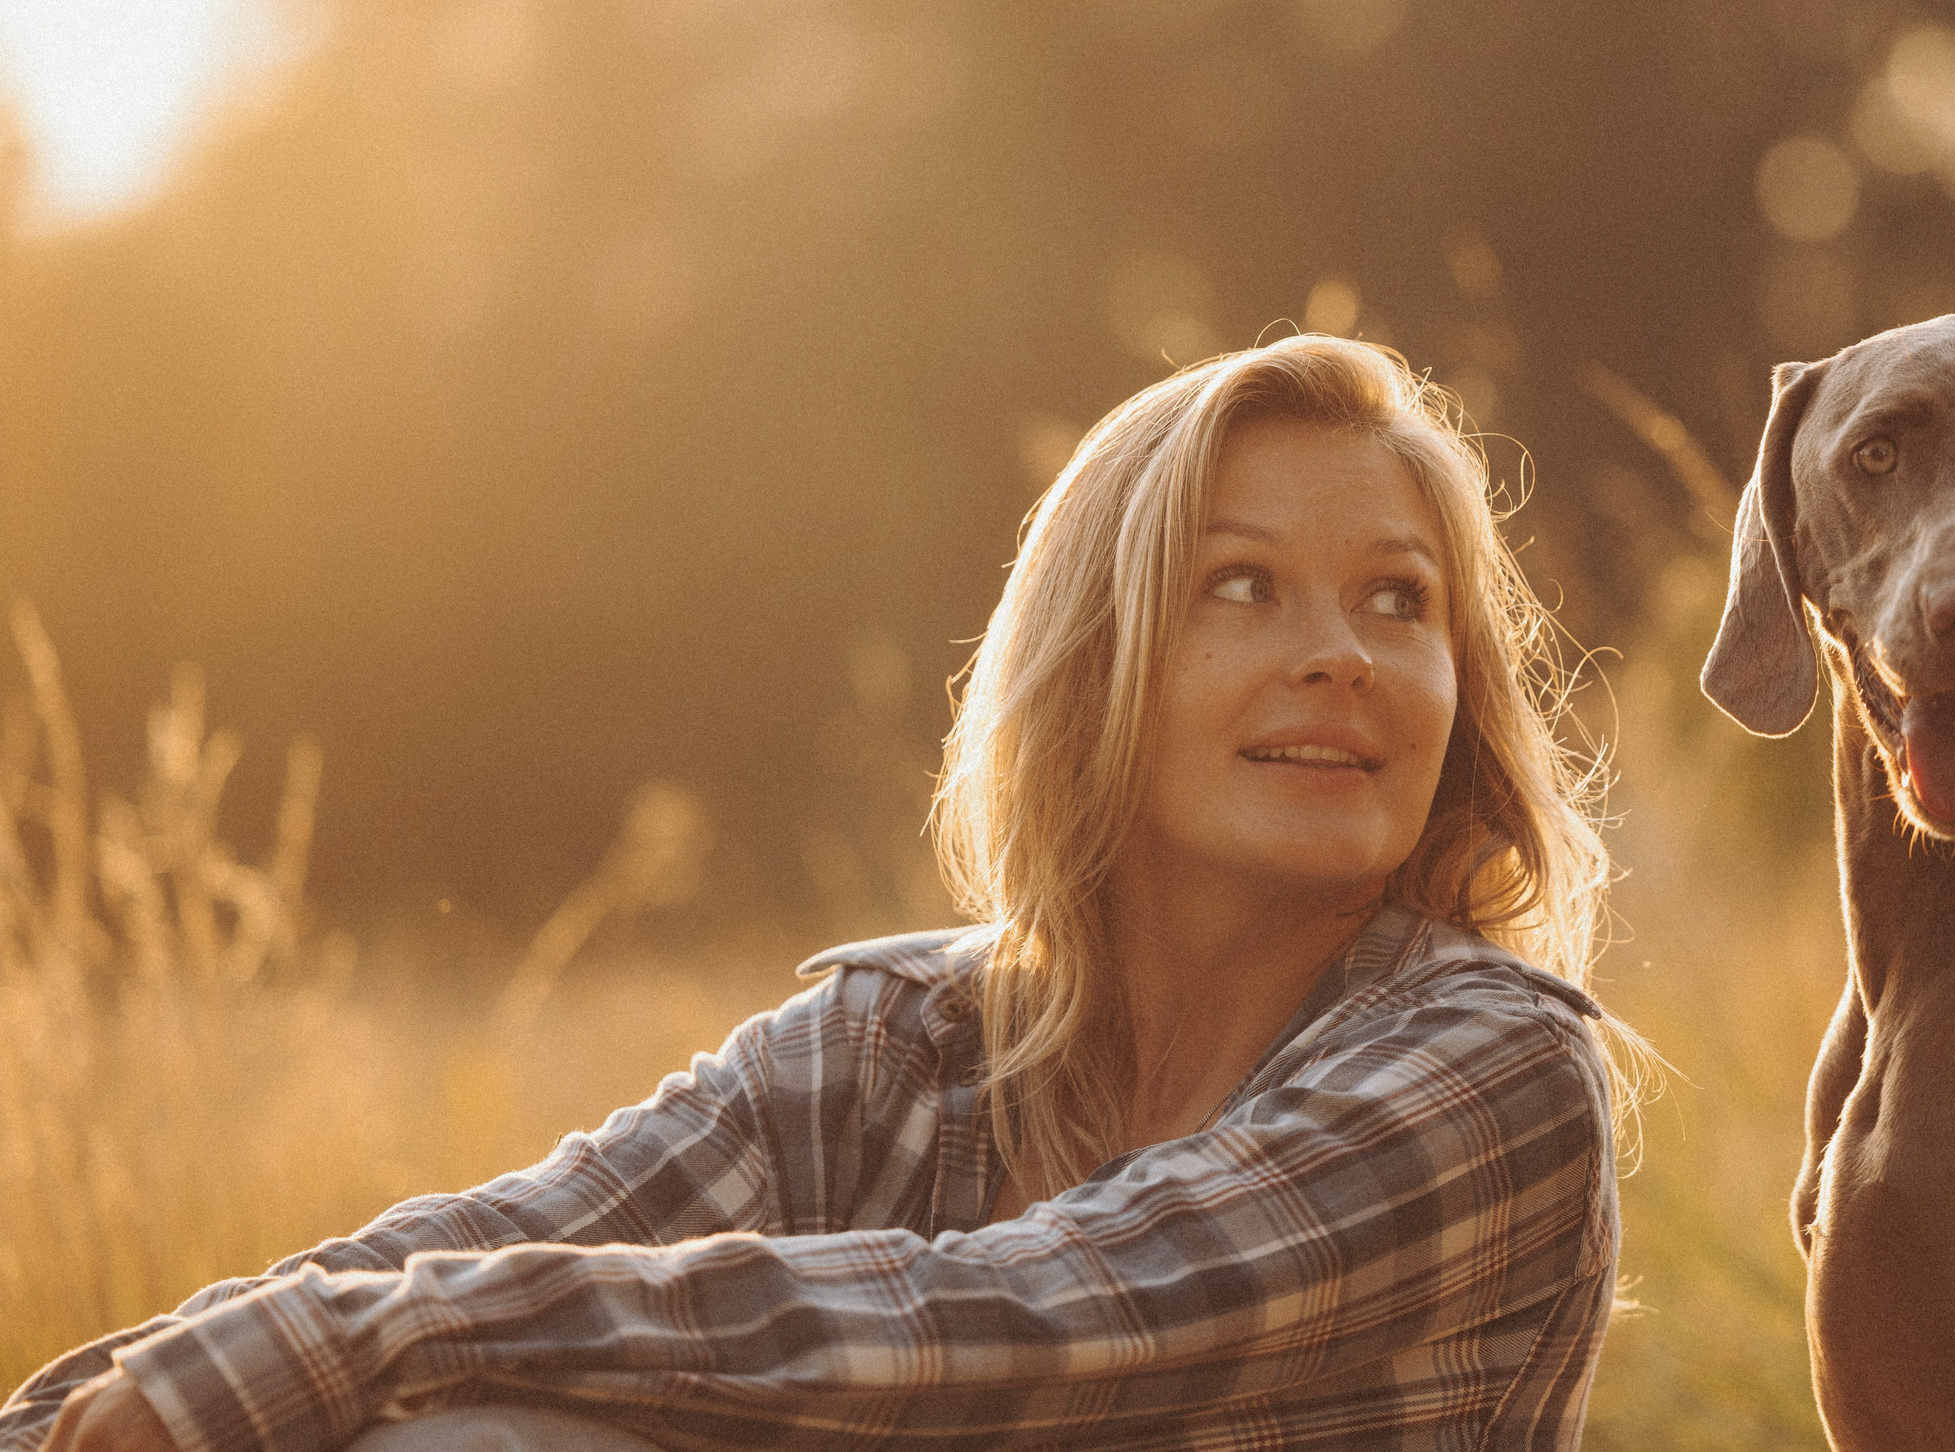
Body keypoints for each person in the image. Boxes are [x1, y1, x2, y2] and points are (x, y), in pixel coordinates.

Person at [7, 333, 1647, 1452]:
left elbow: (1028, 1317)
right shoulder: (901, 1048)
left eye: (1397, 601)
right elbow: (511, 1236)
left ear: (1459, 689)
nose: (1337, 657)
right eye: (1242, 584)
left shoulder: (1493, 1075)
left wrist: (373, 1344)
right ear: (1093, 669)